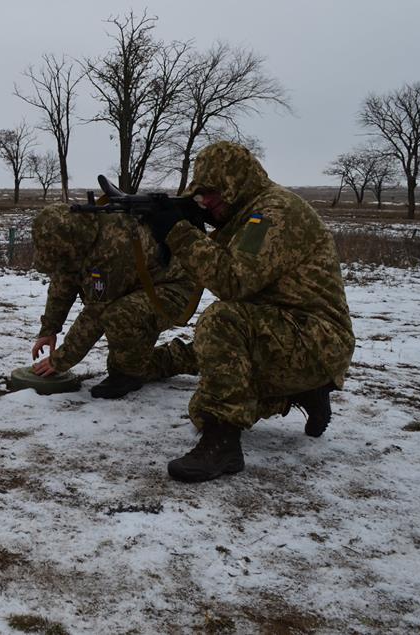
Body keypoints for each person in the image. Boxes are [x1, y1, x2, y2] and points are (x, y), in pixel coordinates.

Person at [144, 141, 355, 482]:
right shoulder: (245, 213)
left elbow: (233, 281)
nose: (205, 201)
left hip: (317, 337)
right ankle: (304, 393)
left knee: (221, 320)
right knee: (204, 408)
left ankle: (223, 445)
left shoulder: (272, 213)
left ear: (235, 183)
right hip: (282, 329)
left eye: (211, 193)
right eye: (200, 194)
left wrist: (180, 234)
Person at [30, 203, 197, 398]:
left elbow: (96, 312)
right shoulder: (78, 240)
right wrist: (49, 329)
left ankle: (188, 359)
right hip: (140, 287)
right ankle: (144, 366)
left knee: (119, 316)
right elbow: (63, 280)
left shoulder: (112, 245)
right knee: (125, 356)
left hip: (175, 291)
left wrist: (60, 360)